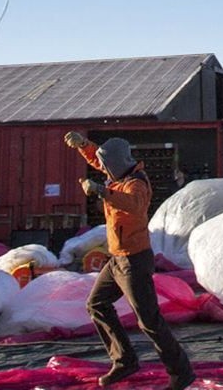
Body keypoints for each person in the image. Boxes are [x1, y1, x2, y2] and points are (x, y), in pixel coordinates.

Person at [65, 131, 195, 390]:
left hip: (134, 260)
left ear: (117, 164)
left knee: (148, 319)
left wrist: (102, 191)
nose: (102, 169)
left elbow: (133, 205)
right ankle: (124, 360)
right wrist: (83, 145)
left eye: (106, 166)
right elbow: (99, 159)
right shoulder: (118, 174)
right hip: (117, 259)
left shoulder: (136, 184)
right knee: (96, 304)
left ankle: (181, 372)